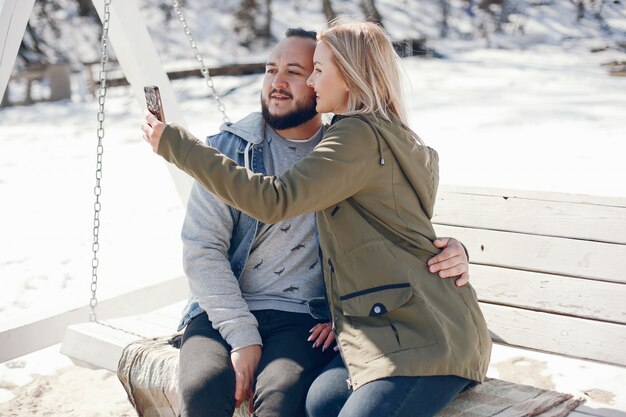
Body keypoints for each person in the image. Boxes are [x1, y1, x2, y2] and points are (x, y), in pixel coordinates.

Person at [145, 26, 479, 417]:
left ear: (351, 74)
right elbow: (399, 231)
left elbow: (275, 200)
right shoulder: (243, 148)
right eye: (271, 69)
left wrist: (176, 144)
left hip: (400, 330)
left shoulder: (348, 142)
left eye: (307, 70)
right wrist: (244, 334)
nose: (280, 81)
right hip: (353, 322)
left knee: (288, 402)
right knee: (313, 402)